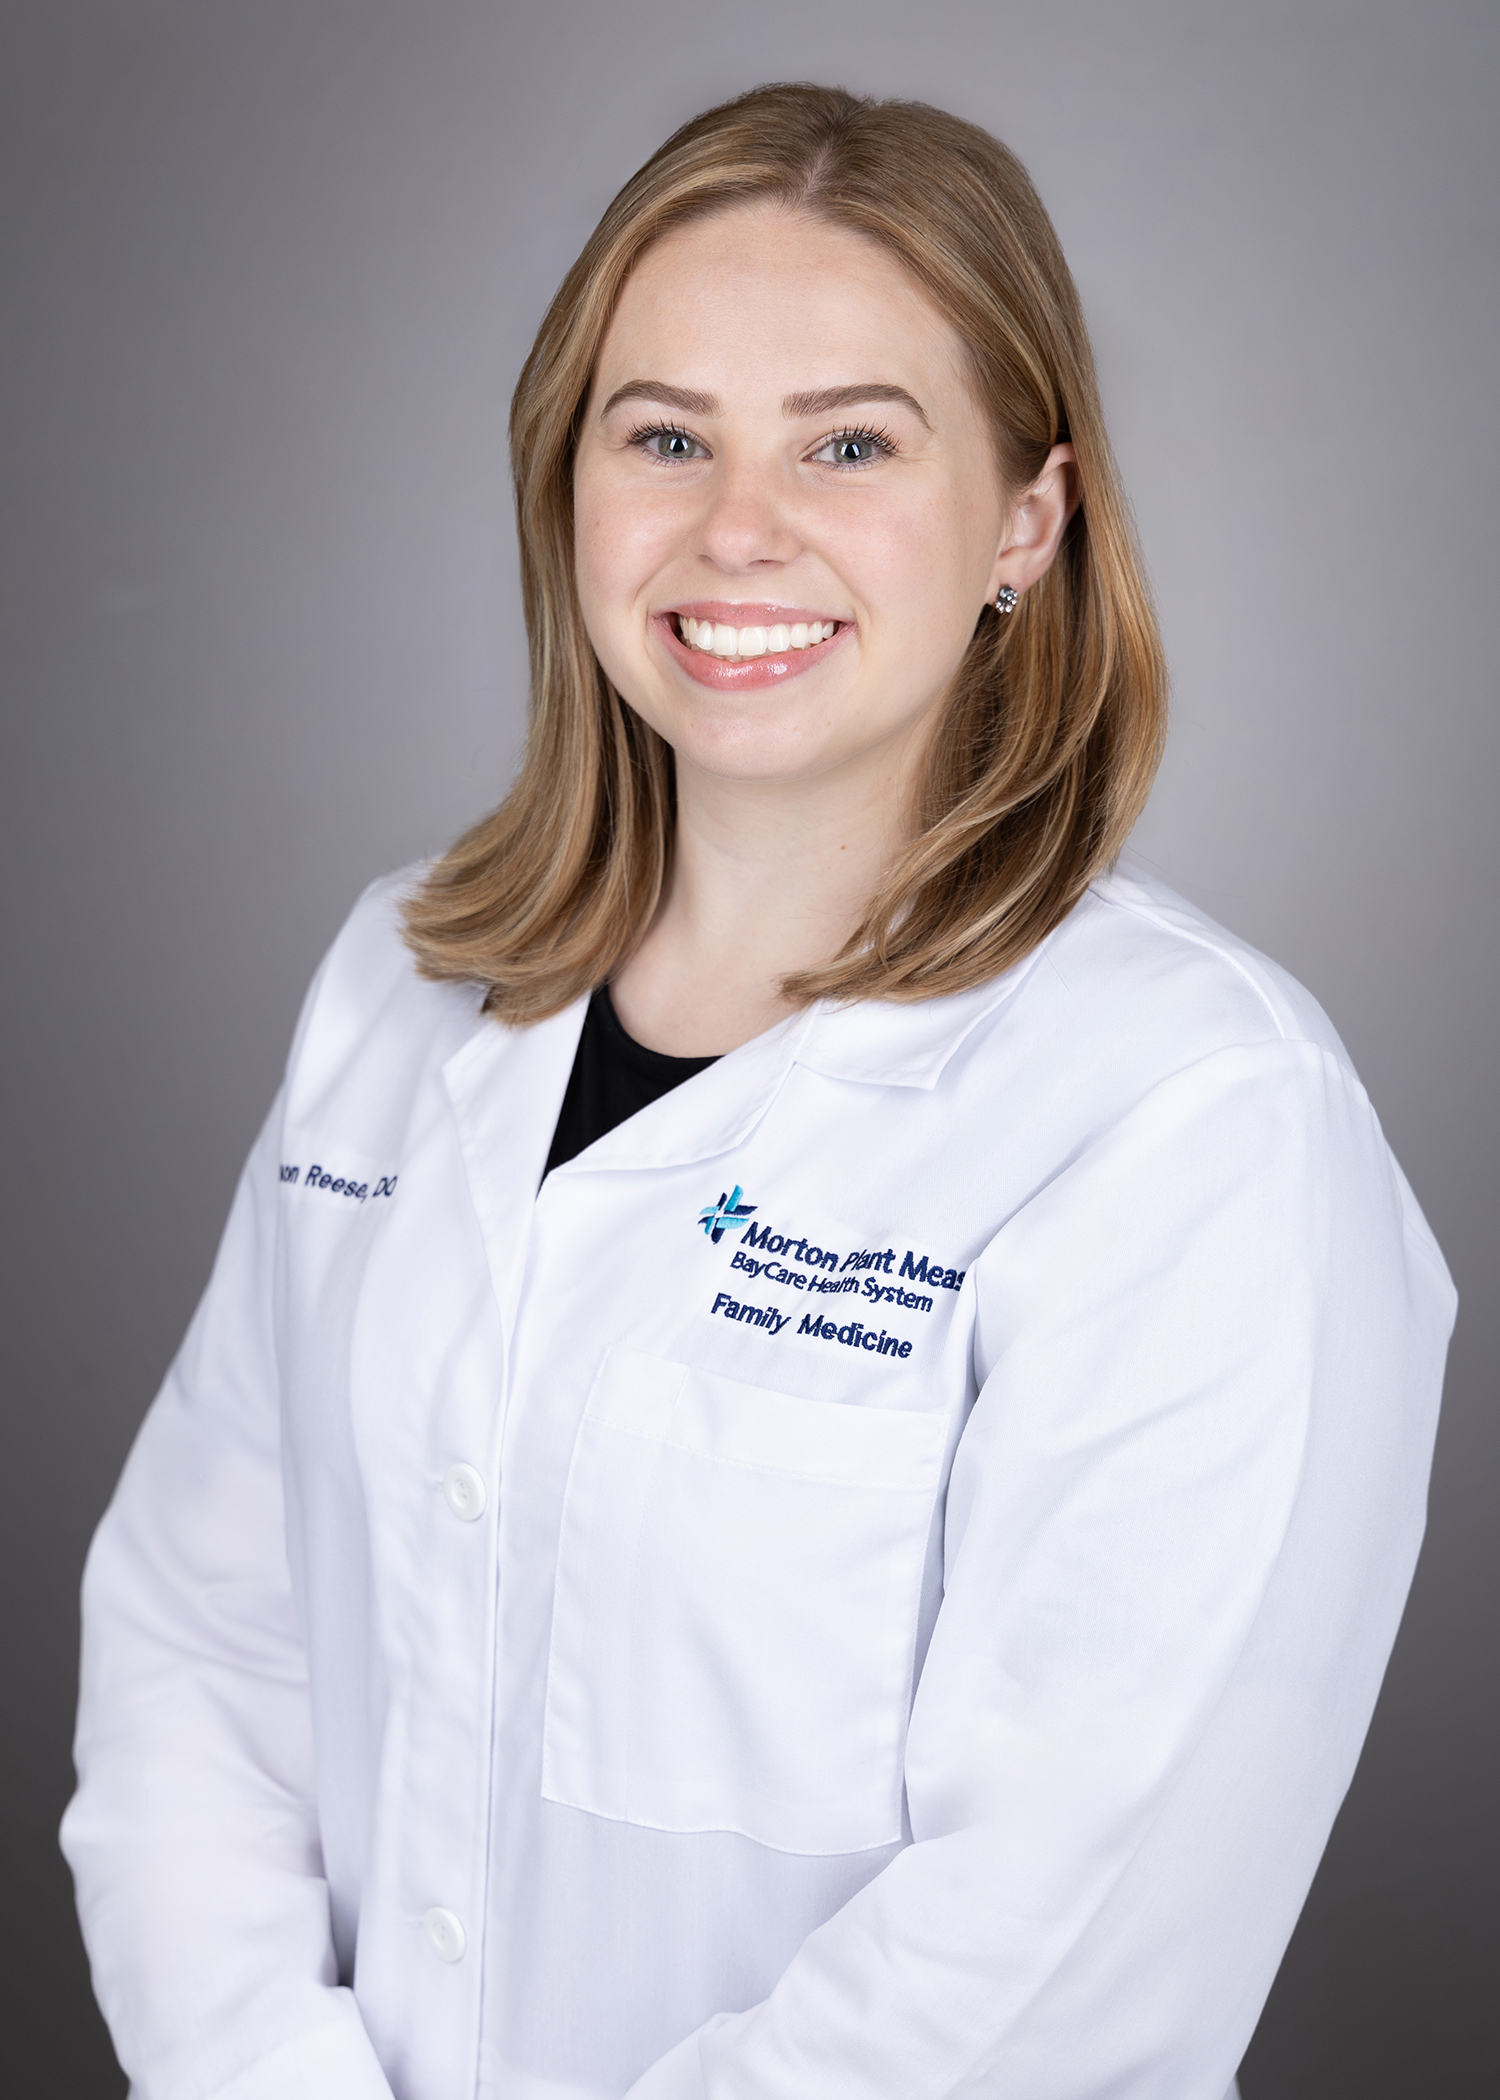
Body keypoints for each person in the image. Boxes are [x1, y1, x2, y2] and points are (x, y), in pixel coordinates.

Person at [62, 82, 1454, 2100]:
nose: (739, 528)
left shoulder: (1189, 1114)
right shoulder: (400, 986)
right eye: (667, 437)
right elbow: (204, 1652)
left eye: (853, 444)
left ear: (1027, 519)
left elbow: (1054, 1948)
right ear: (570, 483)